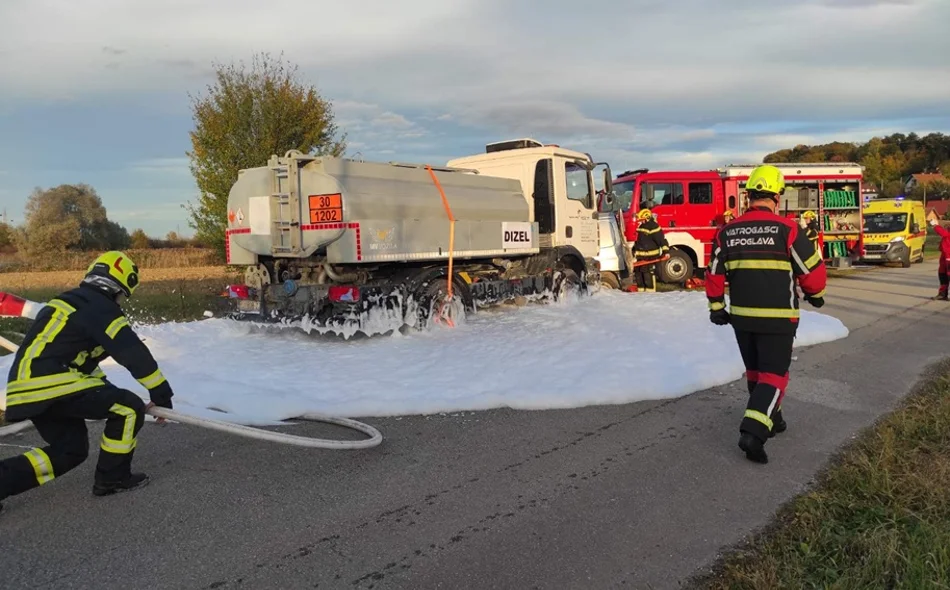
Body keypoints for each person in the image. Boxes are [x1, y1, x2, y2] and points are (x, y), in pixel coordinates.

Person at [0, 251, 174, 511]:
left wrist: (108, 393)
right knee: (128, 408)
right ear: (119, 288)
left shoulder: (68, 302)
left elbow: (84, 365)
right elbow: (132, 353)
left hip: (26, 388)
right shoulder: (102, 309)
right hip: (53, 382)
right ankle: (112, 478)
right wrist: (161, 394)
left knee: (69, 451)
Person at [705, 165, 827, 464]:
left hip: (742, 319)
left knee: (757, 373)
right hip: (778, 318)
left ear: (748, 196)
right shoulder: (788, 229)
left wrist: (717, 308)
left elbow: (714, 274)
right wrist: (816, 295)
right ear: (777, 196)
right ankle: (754, 432)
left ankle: (775, 418)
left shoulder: (727, 232)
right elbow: (811, 271)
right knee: (774, 376)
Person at [632, 208, 669, 292]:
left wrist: (666, 252)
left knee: (648, 278)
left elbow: (661, 241)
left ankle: (651, 296)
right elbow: (638, 241)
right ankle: (641, 296)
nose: (641, 222)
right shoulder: (641, 227)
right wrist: (634, 251)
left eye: (643, 220)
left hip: (651, 258)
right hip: (640, 258)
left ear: (648, 218)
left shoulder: (654, 227)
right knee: (639, 278)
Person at [930, 218, 950, 300]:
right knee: (942, 274)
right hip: (945, 255)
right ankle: (942, 294)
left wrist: (935, 225)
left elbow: (944, 233)